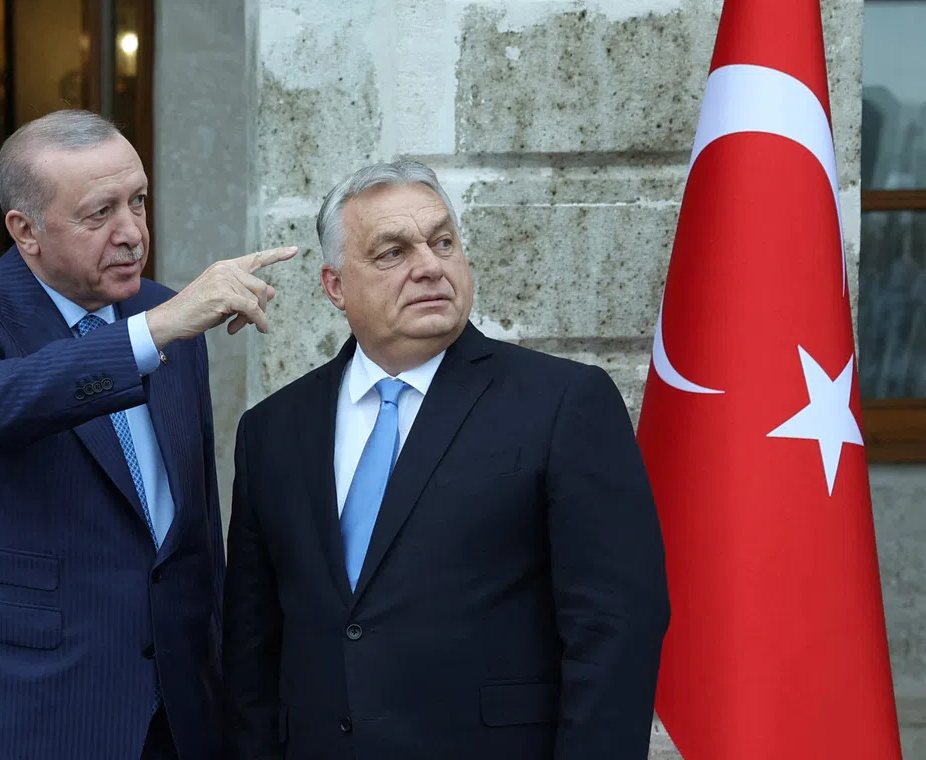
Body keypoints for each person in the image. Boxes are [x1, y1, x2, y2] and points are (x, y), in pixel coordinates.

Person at [222, 160, 670, 759]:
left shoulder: (563, 403)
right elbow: (252, 647)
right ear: (335, 286)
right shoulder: (272, 431)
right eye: (392, 252)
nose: (429, 266)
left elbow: (616, 630)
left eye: (442, 242)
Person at [0, 109, 295, 760]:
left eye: (138, 201)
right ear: (25, 231)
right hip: (28, 713)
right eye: (99, 213)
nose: (133, 233)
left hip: (178, 712)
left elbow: (194, 527)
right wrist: (153, 333)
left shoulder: (162, 315)